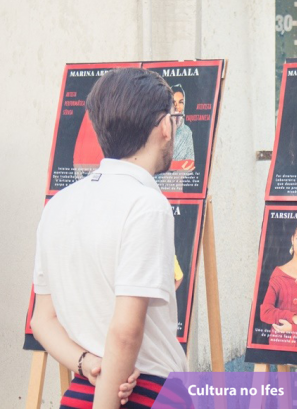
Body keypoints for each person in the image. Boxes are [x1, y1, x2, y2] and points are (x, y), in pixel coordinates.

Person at [31, 68, 189, 408]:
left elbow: (42, 320)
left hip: (83, 389)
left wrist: (87, 363)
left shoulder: (58, 205)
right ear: (165, 126)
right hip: (143, 393)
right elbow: (125, 332)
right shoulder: (146, 205)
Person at [169, 84, 195, 172]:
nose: (177, 106)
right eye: (173, 102)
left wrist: (170, 165)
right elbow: (156, 163)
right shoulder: (161, 129)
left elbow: (190, 164)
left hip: (179, 181)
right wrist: (179, 164)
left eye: (180, 102)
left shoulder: (187, 132)